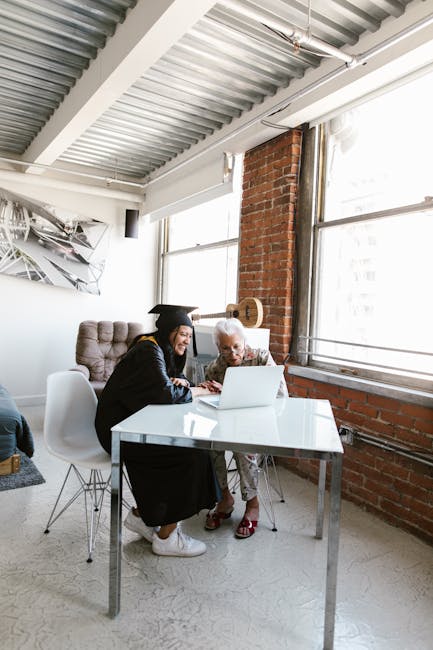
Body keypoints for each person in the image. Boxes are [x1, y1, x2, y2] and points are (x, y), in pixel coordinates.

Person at [95, 304, 216, 557]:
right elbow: (164, 393)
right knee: (191, 455)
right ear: (170, 330)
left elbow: (168, 384)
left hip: (131, 424)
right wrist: (198, 391)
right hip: (119, 432)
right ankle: (167, 537)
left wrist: (188, 384)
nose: (187, 340)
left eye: (190, 336)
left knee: (187, 449)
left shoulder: (158, 349)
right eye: (183, 334)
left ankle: (141, 516)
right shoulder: (147, 350)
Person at [202, 318, 288, 539]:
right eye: (225, 348)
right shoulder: (214, 368)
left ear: (244, 342)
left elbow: (281, 396)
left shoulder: (261, 358)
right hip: (227, 424)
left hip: (262, 423)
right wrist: (209, 391)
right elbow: (211, 406)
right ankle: (224, 499)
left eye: (236, 346)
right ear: (218, 347)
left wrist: (231, 392)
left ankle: (252, 503)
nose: (232, 353)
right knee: (208, 445)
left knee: (242, 445)